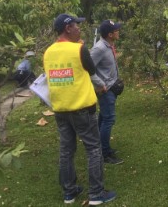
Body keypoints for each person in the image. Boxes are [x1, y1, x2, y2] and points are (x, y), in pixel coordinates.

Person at [43, 13, 116, 205]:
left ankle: (69, 193)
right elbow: (91, 70)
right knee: (93, 149)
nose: (79, 29)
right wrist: (80, 46)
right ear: (68, 28)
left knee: (66, 151)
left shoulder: (48, 52)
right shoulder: (79, 49)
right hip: (82, 108)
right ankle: (96, 194)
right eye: (76, 26)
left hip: (60, 109)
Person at [90, 20, 123, 165]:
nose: (118, 32)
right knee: (109, 119)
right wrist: (100, 84)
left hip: (111, 87)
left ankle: (99, 147)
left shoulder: (109, 45)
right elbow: (88, 69)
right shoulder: (99, 49)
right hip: (105, 90)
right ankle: (104, 153)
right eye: (116, 30)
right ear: (110, 34)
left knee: (103, 118)